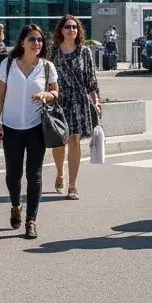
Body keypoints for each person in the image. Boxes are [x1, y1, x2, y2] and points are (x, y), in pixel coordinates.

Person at [0, 24, 59, 239]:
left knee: (35, 174)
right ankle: (15, 204)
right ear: (22, 42)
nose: (36, 44)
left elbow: (56, 91)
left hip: (36, 127)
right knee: (13, 174)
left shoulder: (47, 66)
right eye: (32, 39)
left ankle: (31, 220)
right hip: (11, 127)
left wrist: (46, 96)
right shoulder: (8, 64)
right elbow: (0, 94)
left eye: (39, 40)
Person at [49, 16, 100, 199]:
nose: (72, 30)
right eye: (68, 27)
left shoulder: (84, 52)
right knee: (58, 141)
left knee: (74, 141)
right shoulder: (52, 51)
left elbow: (91, 80)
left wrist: (96, 101)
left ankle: (72, 185)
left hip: (79, 101)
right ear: (60, 30)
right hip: (58, 101)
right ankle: (60, 173)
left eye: (75, 27)